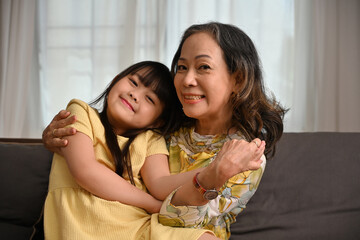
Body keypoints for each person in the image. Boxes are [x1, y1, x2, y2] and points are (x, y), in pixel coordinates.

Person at [42, 22, 286, 240]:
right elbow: (104, 150)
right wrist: (57, 137)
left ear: (238, 80)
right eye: (181, 67)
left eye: (203, 67)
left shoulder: (246, 158)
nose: (187, 80)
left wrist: (216, 172)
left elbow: (182, 221)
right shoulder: (162, 127)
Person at [43, 61, 217, 240]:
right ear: (115, 81)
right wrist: (153, 204)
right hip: (84, 230)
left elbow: (160, 184)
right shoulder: (81, 112)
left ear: (158, 121)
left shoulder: (150, 139)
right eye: (133, 82)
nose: (135, 95)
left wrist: (212, 170)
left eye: (150, 99)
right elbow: (86, 171)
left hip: (139, 229)